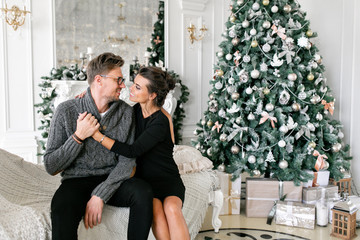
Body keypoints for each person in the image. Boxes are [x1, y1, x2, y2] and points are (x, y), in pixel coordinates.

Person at [44, 52, 153, 240]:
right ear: (98, 80)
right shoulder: (66, 110)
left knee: (143, 192)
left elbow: (127, 161)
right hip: (75, 181)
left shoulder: (126, 113)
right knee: (61, 205)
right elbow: (50, 165)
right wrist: (78, 137)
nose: (122, 85)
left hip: (112, 179)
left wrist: (100, 194)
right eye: (118, 80)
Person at [77, 66, 190, 240]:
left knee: (171, 209)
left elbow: (132, 151)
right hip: (146, 182)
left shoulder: (160, 121)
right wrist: (88, 97)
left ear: (152, 95)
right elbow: (107, 103)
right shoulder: (133, 111)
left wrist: (98, 136)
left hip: (167, 181)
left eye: (137, 87)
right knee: (157, 212)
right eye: (134, 84)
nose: (130, 88)